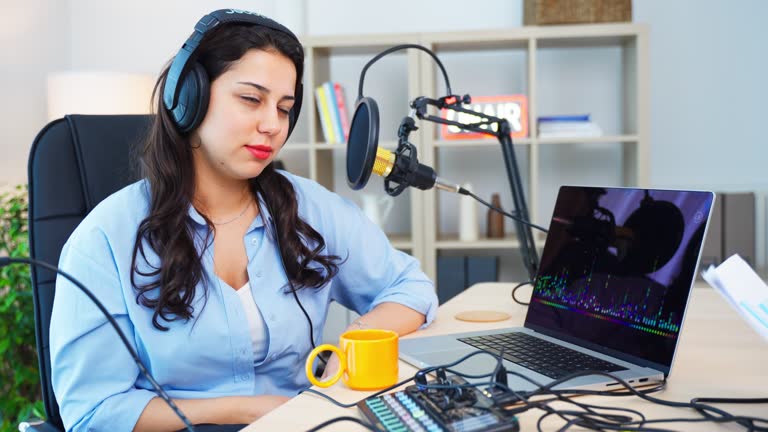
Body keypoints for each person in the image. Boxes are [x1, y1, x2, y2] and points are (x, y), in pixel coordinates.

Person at [49, 9, 437, 432]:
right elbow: (93, 413)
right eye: (251, 99)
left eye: (285, 108)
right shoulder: (105, 237)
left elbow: (410, 288)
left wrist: (346, 352)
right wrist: (242, 410)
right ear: (189, 99)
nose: (272, 125)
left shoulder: (309, 207)